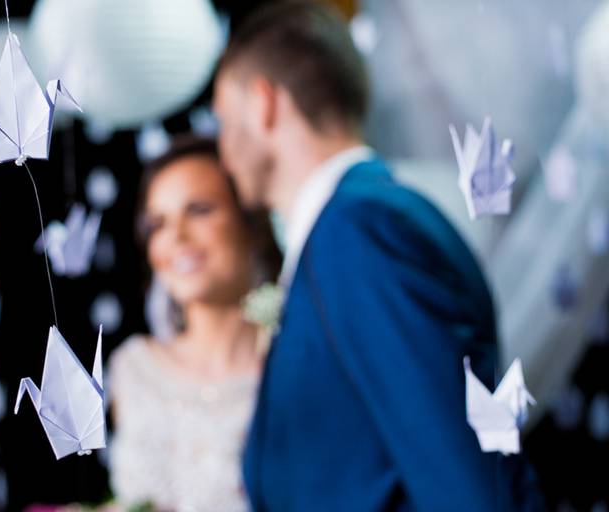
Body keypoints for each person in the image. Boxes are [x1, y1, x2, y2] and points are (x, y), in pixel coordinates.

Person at [212, 1, 545, 510]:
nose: (224, 152)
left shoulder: (360, 232)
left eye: (224, 121)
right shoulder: (350, 230)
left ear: (263, 105)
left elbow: (463, 486)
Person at [107, 135, 281, 512]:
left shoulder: (292, 367)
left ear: (248, 221)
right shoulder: (133, 370)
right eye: (158, 224)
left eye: (199, 210)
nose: (177, 237)